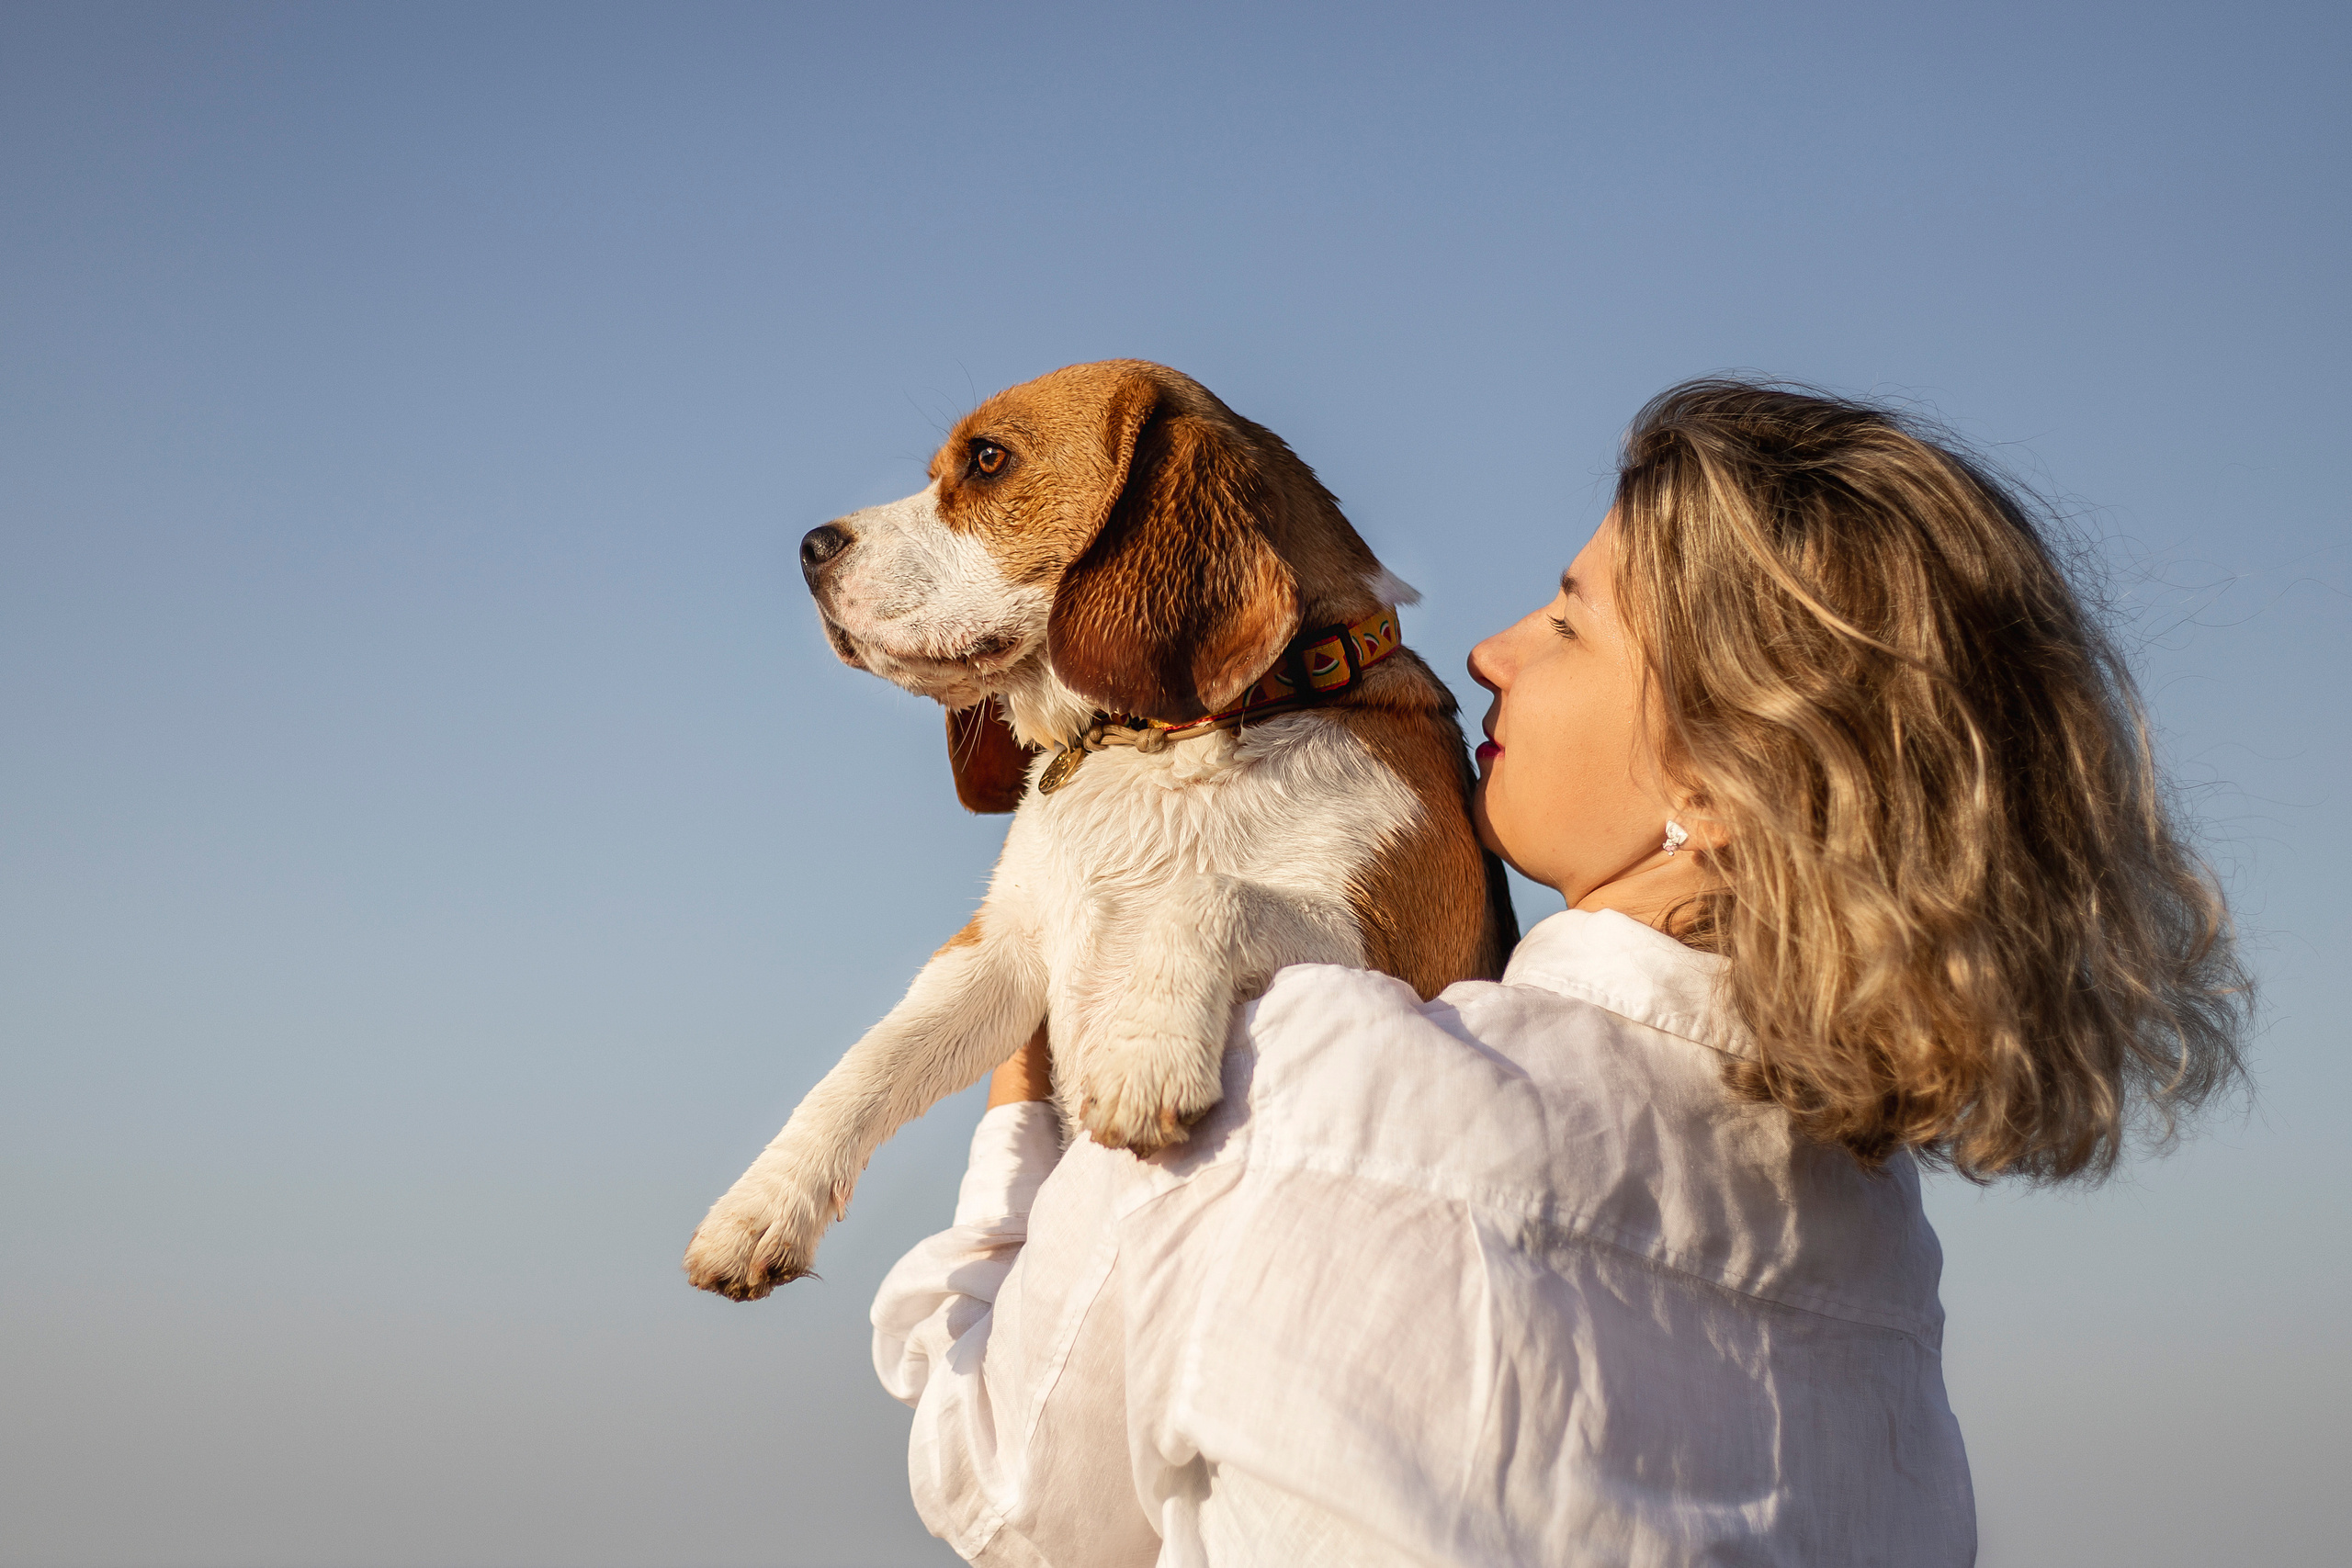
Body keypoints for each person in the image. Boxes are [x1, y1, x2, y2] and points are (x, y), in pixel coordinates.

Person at [869, 380, 2249, 1566]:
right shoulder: (1883, 1259)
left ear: (1721, 781)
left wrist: (1022, 1098)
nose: (1489, 650)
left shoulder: (1294, 1071)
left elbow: (1009, 1499)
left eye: (1574, 624)